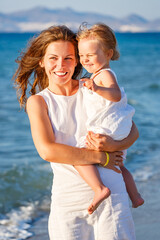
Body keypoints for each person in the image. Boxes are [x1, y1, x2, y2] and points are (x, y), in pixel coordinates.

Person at [13, 25, 138, 240]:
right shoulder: (39, 101)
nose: (61, 65)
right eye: (53, 58)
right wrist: (102, 156)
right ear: (41, 61)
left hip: (111, 195)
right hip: (67, 200)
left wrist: (112, 145)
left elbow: (132, 130)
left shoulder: (92, 87)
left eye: (69, 58)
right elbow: (48, 151)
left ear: (78, 60)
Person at [75, 23, 144, 214]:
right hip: (118, 128)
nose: (85, 60)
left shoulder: (104, 74)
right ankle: (135, 196)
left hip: (108, 127)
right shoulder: (97, 74)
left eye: (90, 55)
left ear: (108, 54)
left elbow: (115, 94)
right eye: (81, 55)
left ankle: (100, 189)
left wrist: (96, 88)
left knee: (78, 156)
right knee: (119, 165)